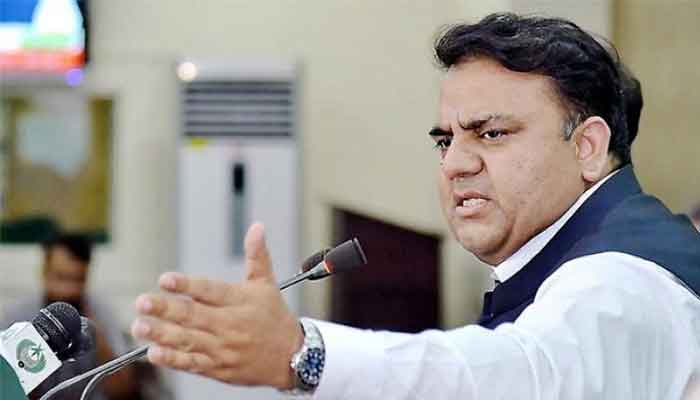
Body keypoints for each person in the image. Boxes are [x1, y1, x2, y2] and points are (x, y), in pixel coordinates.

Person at [130, 13, 700, 399]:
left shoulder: (623, 283)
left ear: (587, 147)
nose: (455, 164)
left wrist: (303, 355)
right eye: (445, 140)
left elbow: (515, 377)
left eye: (492, 134)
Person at [1, 232, 138, 400]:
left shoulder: (101, 314)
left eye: (78, 280)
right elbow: (7, 390)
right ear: (44, 272)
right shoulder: (19, 315)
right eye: (61, 278)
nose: (68, 290)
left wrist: (97, 338)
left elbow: (123, 390)